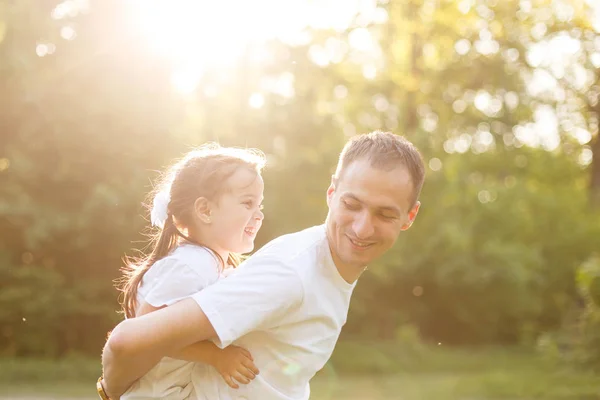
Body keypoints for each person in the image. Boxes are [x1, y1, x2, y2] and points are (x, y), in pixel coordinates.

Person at [100, 131, 425, 400]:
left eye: (384, 214)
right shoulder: (289, 274)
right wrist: (110, 393)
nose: (362, 228)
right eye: (352, 204)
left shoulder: (324, 270)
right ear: (331, 192)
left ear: (409, 217)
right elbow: (127, 340)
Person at [112, 143, 266, 399]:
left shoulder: (213, 263)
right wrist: (216, 357)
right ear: (205, 210)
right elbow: (143, 334)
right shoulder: (191, 265)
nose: (259, 215)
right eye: (248, 203)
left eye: (260, 205)